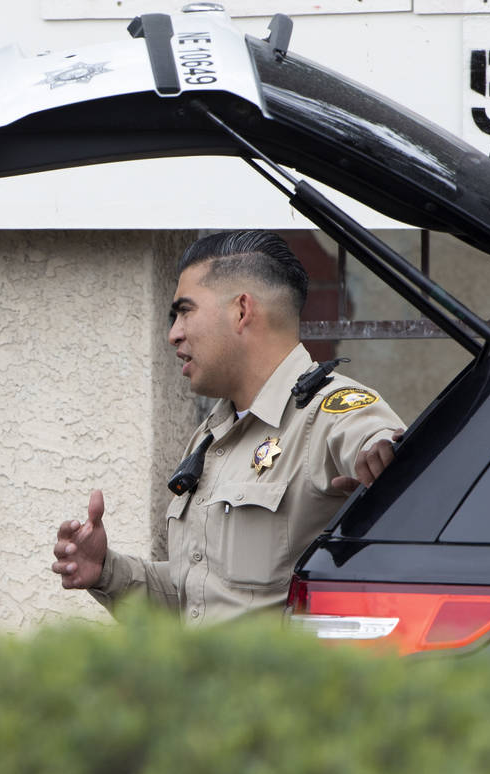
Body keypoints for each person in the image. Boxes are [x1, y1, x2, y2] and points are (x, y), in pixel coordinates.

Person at [52, 231, 404, 624]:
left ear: (241, 311)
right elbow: (200, 597)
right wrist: (106, 571)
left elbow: (376, 441)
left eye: (185, 311)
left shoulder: (328, 411)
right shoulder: (211, 435)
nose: (174, 334)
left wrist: (383, 454)